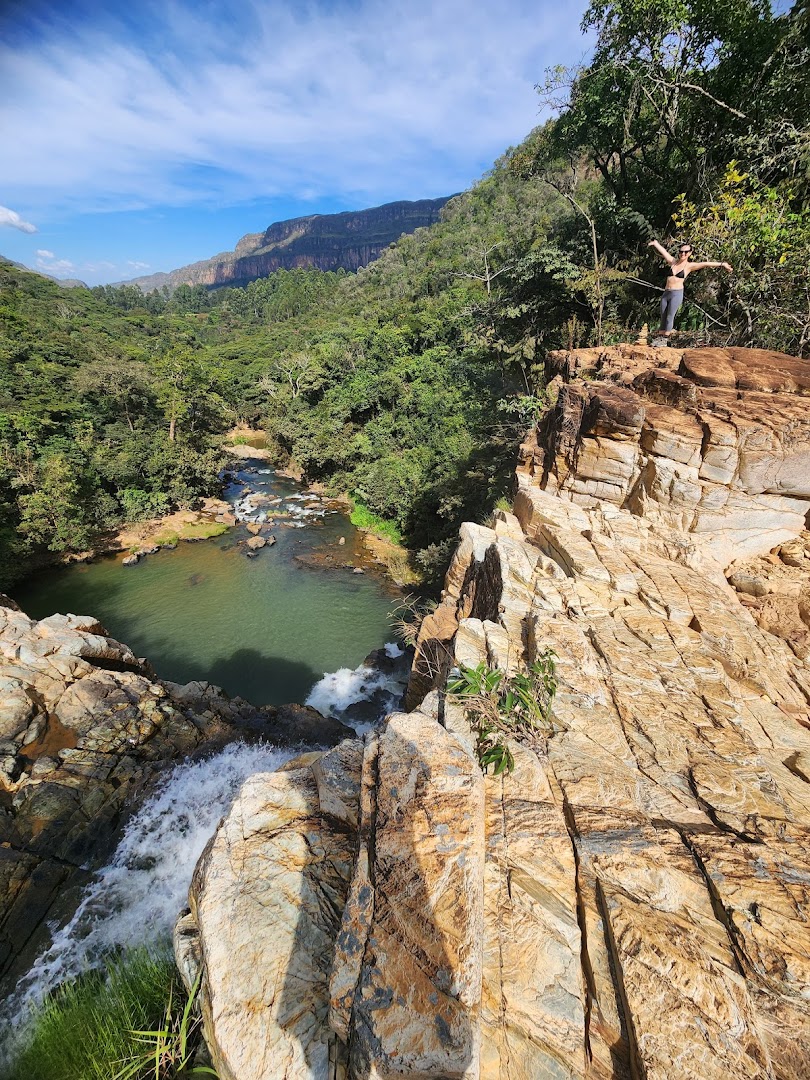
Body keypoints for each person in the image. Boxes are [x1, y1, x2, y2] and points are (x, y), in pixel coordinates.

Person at [647, 239, 732, 337]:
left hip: (676, 294)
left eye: (686, 252)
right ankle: (660, 337)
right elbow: (664, 252)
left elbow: (705, 264)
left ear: (690, 253)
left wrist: (723, 264)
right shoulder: (673, 262)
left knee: (670, 316)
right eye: (681, 251)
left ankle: (665, 338)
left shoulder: (689, 266)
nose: (683, 254)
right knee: (663, 315)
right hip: (666, 293)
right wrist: (656, 244)